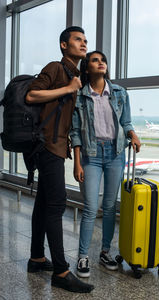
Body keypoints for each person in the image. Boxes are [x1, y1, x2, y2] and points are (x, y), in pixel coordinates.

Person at [25, 26, 94, 293]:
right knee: (56, 206)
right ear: (64, 45)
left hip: (54, 146)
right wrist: (67, 88)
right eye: (78, 39)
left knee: (43, 204)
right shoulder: (56, 68)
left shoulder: (73, 75)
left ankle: (36, 258)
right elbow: (32, 94)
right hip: (47, 146)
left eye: (85, 40)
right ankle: (62, 272)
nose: (83, 43)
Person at [70, 51, 141, 278]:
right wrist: (77, 163)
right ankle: (82, 256)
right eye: (95, 60)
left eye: (103, 60)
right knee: (91, 206)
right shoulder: (80, 96)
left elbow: (125, 121)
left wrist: (133, 134)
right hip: (91, 154)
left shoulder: (119, 92)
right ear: (87, 67)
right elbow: (76, 133)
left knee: (110, 207)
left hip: (115, 153)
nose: (101, 63)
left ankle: (105, 252)